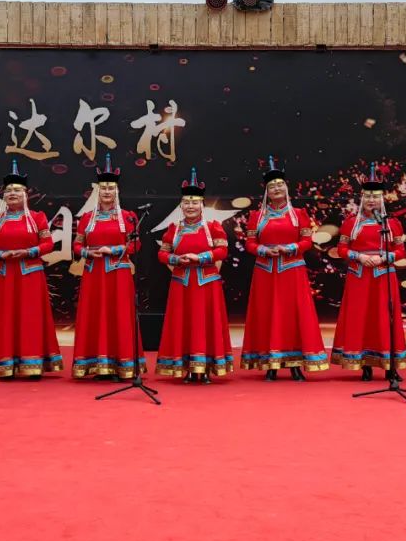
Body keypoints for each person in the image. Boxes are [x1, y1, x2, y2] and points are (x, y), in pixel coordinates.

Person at [241, 156, 328, 380]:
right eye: (272, 186)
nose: (277, 189)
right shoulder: (256, 216)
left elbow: (307, 242)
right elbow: (250, 244)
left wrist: (290, 247)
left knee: (293, 314)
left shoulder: (299, 214)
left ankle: (295, 364)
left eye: (280, 185)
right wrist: (263, 250)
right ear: (267, 192)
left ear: (286, 188)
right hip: (265, 271)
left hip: (292, 269)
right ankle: (270, 364)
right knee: (267, 314)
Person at [0, 160, 63, 379]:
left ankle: (32, 364)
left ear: (25, 194)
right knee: (3, 318)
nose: (12, 194)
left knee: (30, 317)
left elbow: (48, 244)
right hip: (3, 274)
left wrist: (28, 251)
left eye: (17, 190)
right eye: (8, 191)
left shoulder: (36, 218)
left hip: (30, 275)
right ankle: (4, 363)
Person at [71, 154, 145, 380]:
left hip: (119, 274)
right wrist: (89, 252)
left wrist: (112, 250)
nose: (106, 192)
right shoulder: (87, 218)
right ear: (98, 191)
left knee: (119, 316)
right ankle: (97, 364)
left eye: (110, 188)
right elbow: (77, 246)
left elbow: (136, 245)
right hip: (94, 274)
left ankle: (122, 364)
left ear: (117, 191)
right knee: (94, 315)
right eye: (103, 188)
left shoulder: (128, 217)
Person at [156, 168, 234, 382]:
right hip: (181, 283)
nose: (190, 206)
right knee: (183, 324)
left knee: (205, 323)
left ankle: (205, 368)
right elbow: (162, 254)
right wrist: (176, 259)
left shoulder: (213, 226)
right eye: (186, 203)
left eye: (195, 202)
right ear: (181, 206)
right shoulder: (174, 228)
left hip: (206, 283)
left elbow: (222, 251)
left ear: (202, 205)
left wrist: (200, 258)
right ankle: (187, 367)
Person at [332, 163, 406, 379]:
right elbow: (342, 249)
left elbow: (401, 250)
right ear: (362, 199)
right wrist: (360, 257)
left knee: (386, 318)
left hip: (384, 277)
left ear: (382, 199)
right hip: (359, 275)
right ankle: (364, 363)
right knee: (361, 318)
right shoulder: (350, 223)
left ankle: (390, 366)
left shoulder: (392, 223)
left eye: (375, 197)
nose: (371, 200)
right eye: (368, 197)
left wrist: (383, 257)